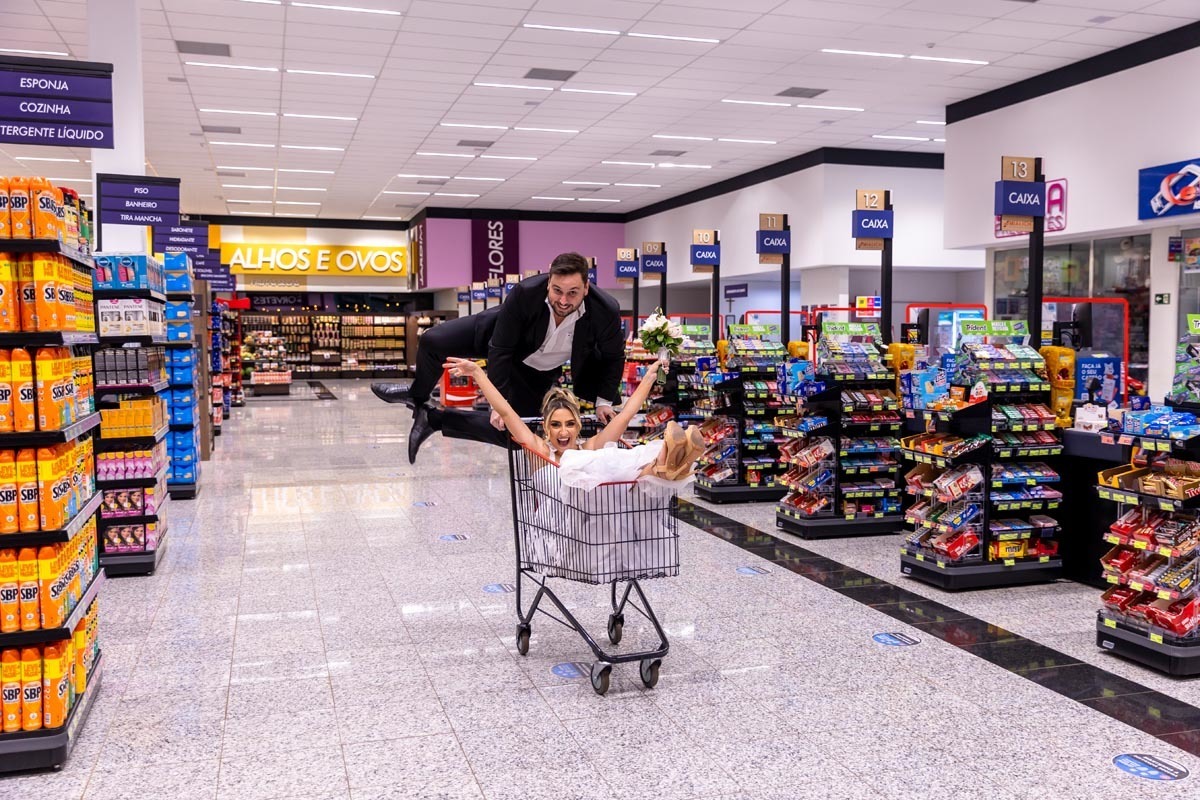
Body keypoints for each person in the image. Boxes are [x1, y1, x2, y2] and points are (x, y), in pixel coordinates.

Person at [386, 252, 627, 463]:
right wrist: (497, 403)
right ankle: (416, 397)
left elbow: (613, 355)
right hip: (499, 340)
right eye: (557, 291)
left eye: (572, 293)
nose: (563, 301)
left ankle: (433, 419)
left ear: (586, 288)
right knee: (432, 340)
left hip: (537, 373)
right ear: (548, 283)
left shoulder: (605, 310)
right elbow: (501, 349)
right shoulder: (525, 292)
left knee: (515, 435)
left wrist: (603, 401)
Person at [445, 356, 705, 479]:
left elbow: (625, 416)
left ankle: (668, 462)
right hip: (558, 529)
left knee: (624, 463)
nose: (563, 431)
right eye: (556, 425)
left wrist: (649, 377)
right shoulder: (540, 451)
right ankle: (670, 461)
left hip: (597, 523)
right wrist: (477, 374)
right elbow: (506, 411)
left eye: (570, 424)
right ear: (546, 428)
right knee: (630, 469)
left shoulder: (588, 448)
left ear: (578, 425)